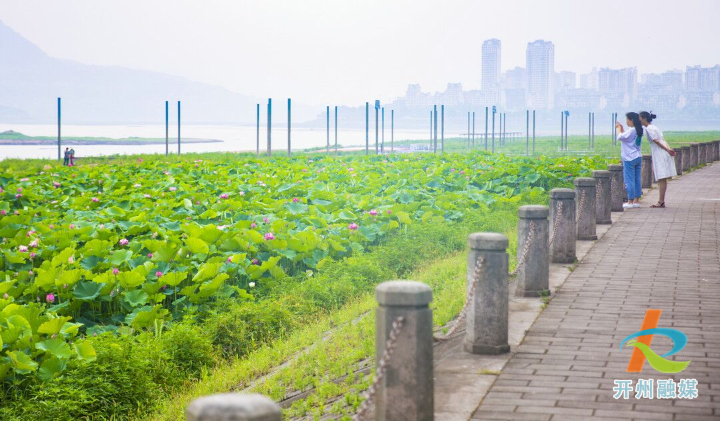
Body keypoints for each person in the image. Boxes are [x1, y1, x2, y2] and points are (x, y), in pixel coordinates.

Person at [639, 111, 676, 208]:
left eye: (639, 118)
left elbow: (656, 141)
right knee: (662, 178)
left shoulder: (649, 128)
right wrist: (669, 149)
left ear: (643, 118)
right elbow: (663, 139)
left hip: (659, 152)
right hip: (663, 151)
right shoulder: (653, 127)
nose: (638, 120)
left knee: (661, 177)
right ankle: (661, 201)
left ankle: (661, 201)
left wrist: (668, 150)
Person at [616, 112, 644, 208]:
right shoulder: (639, 129)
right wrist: (623, 129)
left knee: (629, 180)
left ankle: (630, 201)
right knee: (637, 179)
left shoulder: (632, 130)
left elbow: (620, 137)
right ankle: (636, 200)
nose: (626, 122)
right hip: (638, 156)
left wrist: (619, 128)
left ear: (631, 120)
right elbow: (627, 137)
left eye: (627, 120)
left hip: (629, 158)